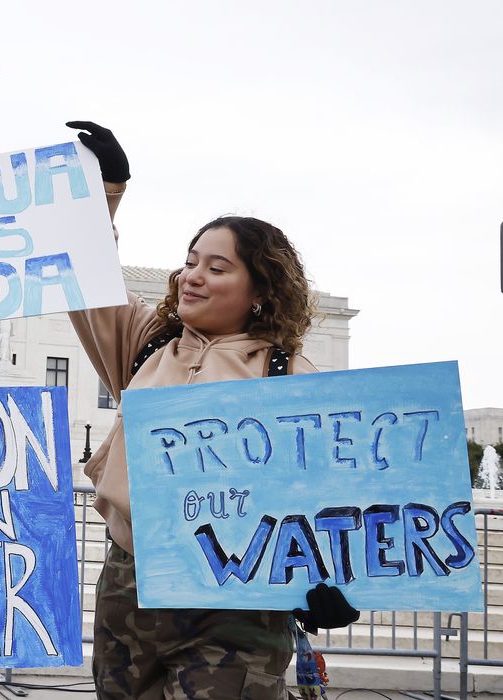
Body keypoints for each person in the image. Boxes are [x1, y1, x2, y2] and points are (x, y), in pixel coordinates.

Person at [66, 121, 358, 698]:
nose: (192, 277)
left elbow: (339, 500)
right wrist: (104, 192)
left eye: (217, 268)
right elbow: (85, 272)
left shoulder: (294, 378)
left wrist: (337, 583)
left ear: (261, 290)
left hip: (237, 602)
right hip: (131, 581)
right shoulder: (146, 343)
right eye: (192, 261)